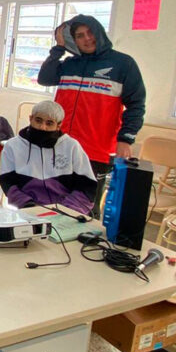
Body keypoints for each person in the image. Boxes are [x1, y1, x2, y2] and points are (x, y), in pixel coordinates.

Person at [38, 14, 145, 215]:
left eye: (90, 33)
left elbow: (136, 105)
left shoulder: (123, 63)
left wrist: (126, 139)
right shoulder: (70, 63)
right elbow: (44, 78)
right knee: (51, 201)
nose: (87, 39)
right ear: (74, 40)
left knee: (84, 208)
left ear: (99, 33)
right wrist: (59, 48)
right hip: (60, 145)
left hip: (96, 151)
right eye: (79, 36)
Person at [0, 100, 96, 215]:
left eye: (49, 123)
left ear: (58, 125)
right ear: (30, 118)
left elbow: (87, 187)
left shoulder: (71, 146)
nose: (42, 127)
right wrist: (29, 207)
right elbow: (8, 183)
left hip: (68, 211)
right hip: (29, 209)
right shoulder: (13, 146)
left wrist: (67, 211)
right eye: (38, 120)